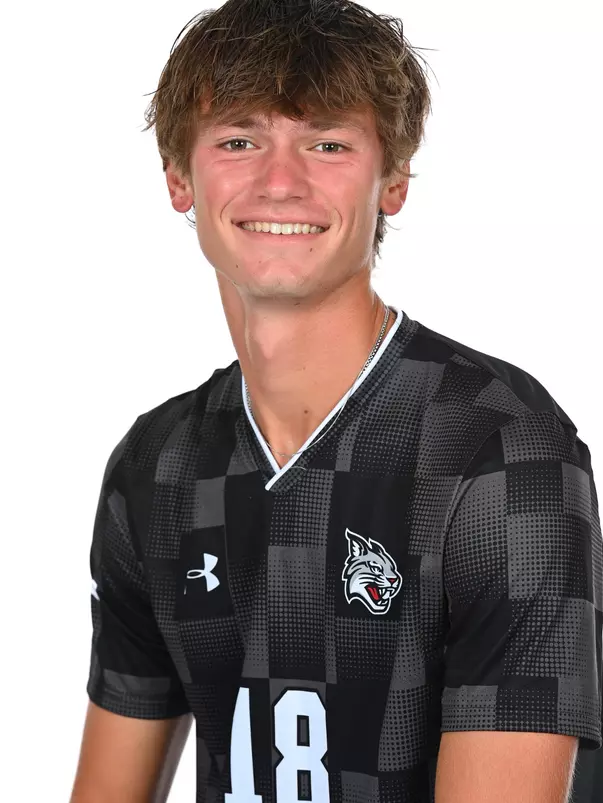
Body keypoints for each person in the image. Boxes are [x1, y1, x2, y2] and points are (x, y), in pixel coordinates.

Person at [70, 1, 603, 801]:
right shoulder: (155, 464)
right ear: (180, 179)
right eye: (239, 140)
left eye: (327, 143)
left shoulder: (498, 447)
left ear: (393, 181)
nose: (280, 182)